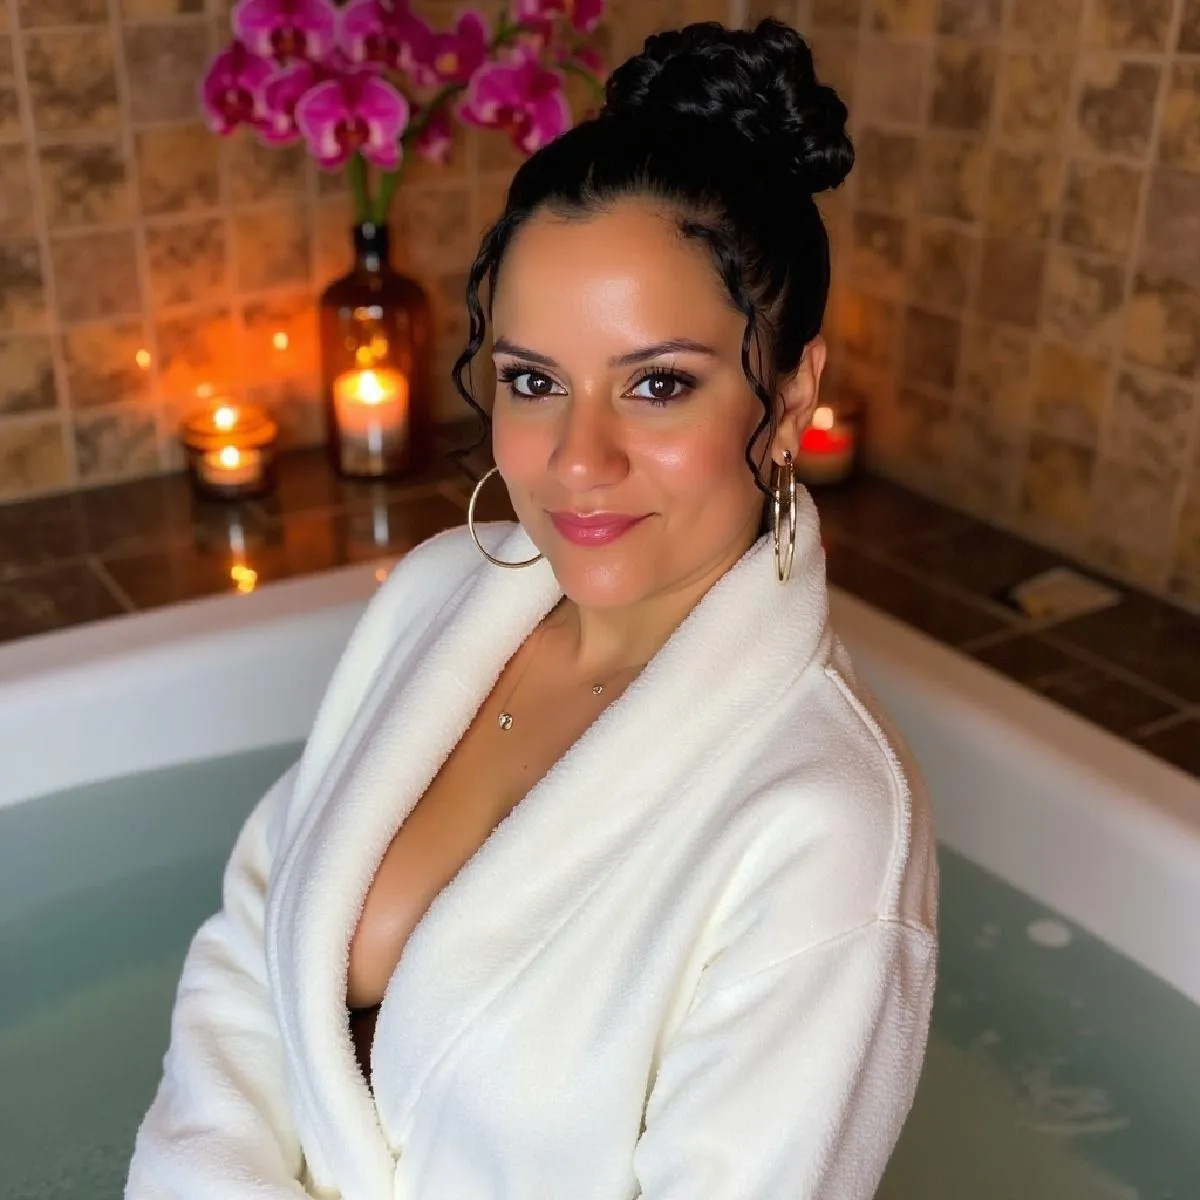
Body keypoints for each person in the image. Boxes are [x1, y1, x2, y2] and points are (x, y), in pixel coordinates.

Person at [127, 18, 937, 1200]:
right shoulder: (434, 604)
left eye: (658, 384)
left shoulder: (826, 821)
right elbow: (253, 945)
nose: (577, 460)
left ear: (790, 391)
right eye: (533, 380)